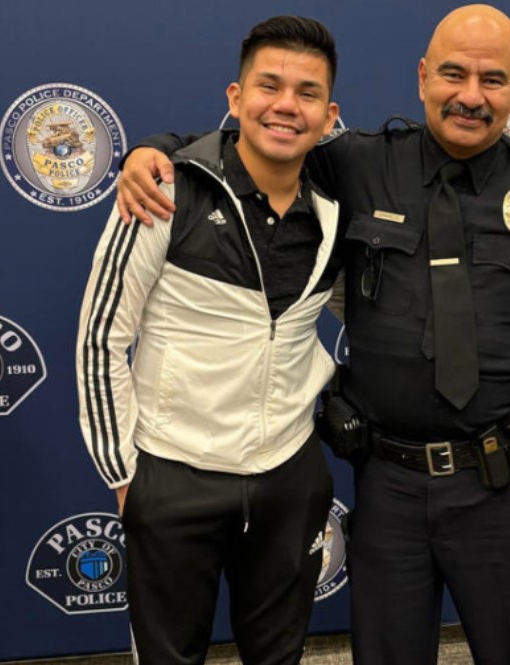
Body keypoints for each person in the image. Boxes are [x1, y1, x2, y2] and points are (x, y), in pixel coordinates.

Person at [114, 5, 510, 663]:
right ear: (422, 78)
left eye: (492, 80)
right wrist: (153, 149)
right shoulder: (355, 164)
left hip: (504, 491)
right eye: (453, 73)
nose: (470, 95)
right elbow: (258, 141)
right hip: (388, 486)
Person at [75, 16, 342, 665]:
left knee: (278, 656)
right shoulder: (166, 187)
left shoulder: (342, 203)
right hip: (174, 473)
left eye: (307, 92)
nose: (285, 105)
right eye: (268, 85)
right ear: (234, 97)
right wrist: (125, 474)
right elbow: (100, 337)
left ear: (329, 114)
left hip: (289, 475)